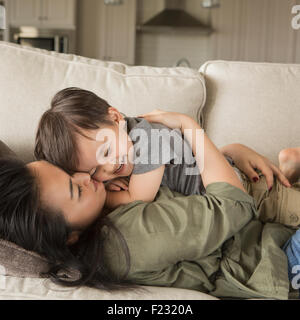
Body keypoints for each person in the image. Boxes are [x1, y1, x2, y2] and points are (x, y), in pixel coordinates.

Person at [1, 111, 300, 299]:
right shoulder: (128, 239)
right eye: (75, 187)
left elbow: (189, 177)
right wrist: (190, 126)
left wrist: (230, 153)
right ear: (70, 237)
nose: (85, 177)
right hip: (273, 261)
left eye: (71, 172)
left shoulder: (101, 201)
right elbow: (233, 205)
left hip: (267, 231)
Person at [34, 87, 291, 210]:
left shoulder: (148, 141)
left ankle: (290, 168)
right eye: (94, 172)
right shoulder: (125, 143)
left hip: (239, 188)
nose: (110, 166)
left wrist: (103, 193)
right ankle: (290, 166)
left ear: (115, 118)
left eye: (107, 151)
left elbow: (136, 198)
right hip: (217, 171)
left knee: (281, 207)